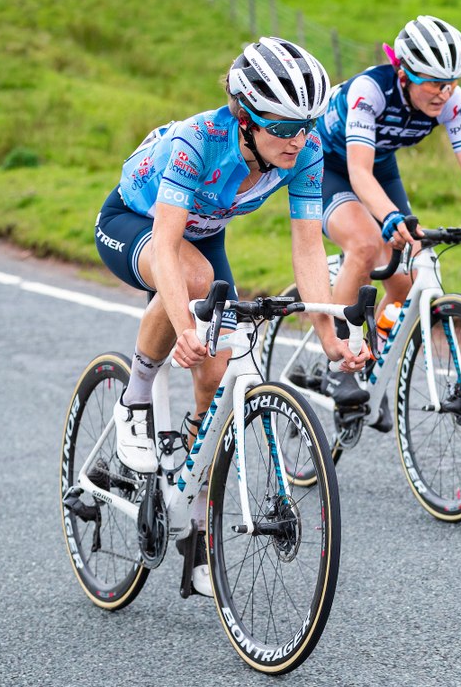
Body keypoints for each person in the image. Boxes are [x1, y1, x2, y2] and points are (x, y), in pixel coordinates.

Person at [94, 37, 369, 593]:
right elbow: (168, 248)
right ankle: (135, 398)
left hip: (205, 237)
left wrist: (331, 333)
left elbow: (310, 249)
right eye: (282, 127)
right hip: (134, 222)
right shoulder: (199, 143)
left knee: (218, 377)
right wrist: (186, 325)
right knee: (196, 286)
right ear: (245, 116)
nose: (297, 139)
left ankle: (195, 525)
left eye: (306, 124)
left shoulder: (307, 150)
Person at [315, 14, 461, 412]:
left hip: (378, 163)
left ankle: (367, 357)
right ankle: (338, 362)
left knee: (405, 281)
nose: (444, 92)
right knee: (367, 244)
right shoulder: (371, 91)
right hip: (323, 165)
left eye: (452, 81)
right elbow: (357, 172)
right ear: (404, 73)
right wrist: (388, 219)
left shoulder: (452, 101)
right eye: (434, 82)